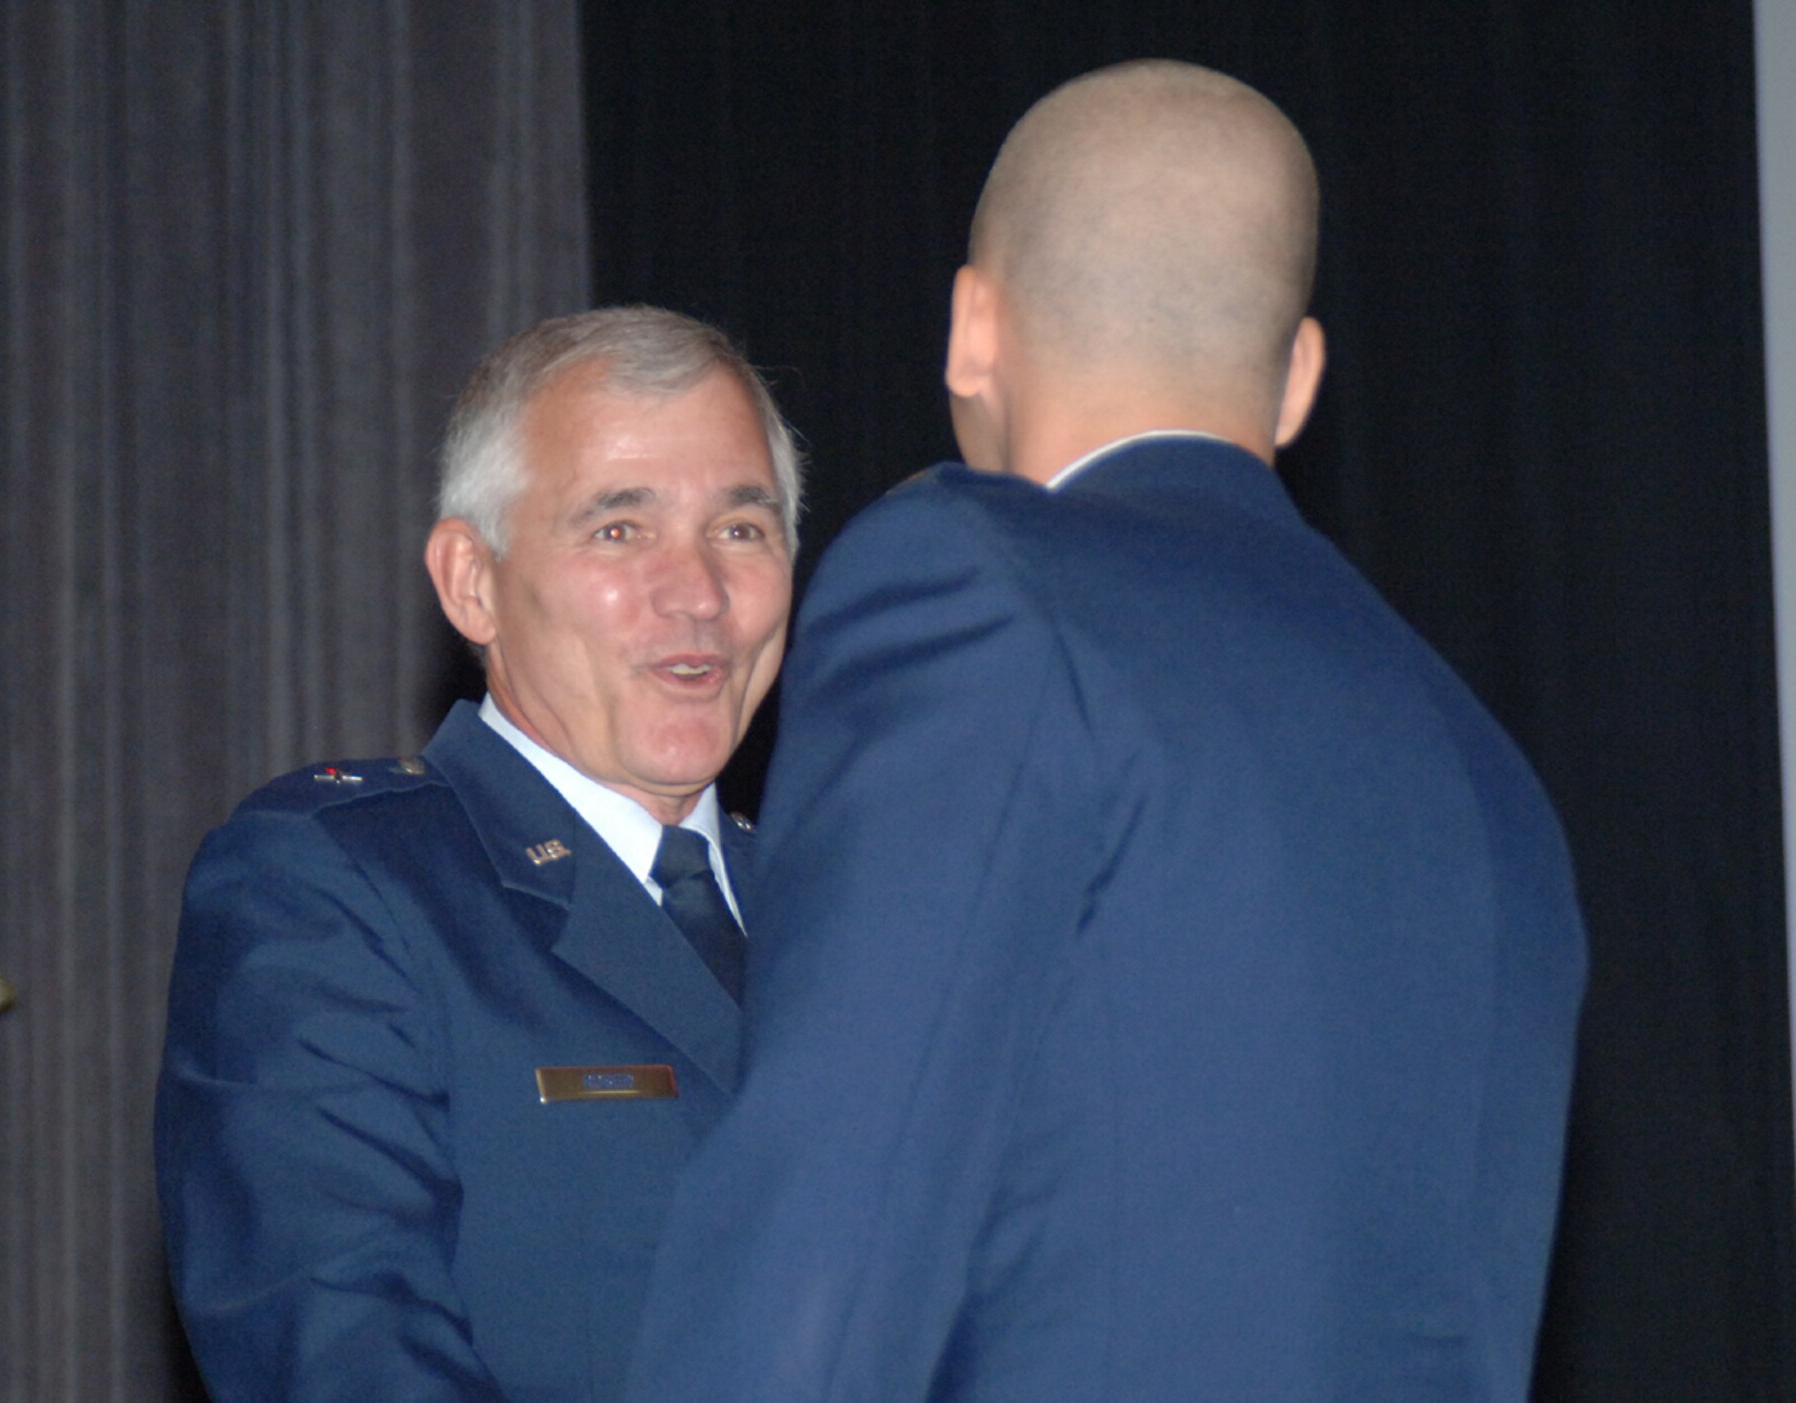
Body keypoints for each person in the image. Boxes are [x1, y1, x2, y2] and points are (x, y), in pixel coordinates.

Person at [625, 60, 1586, 1402]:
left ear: (974, 326)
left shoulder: (976, 588)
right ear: (1299, 373)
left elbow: (834, 1236)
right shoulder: (1482, 764)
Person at [155, 305, 801, 1402]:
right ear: (470, 582)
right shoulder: (340, 888)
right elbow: (339, 1350)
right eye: (618, 529)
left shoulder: (851, 905)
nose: (696, 593)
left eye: (740, 528)